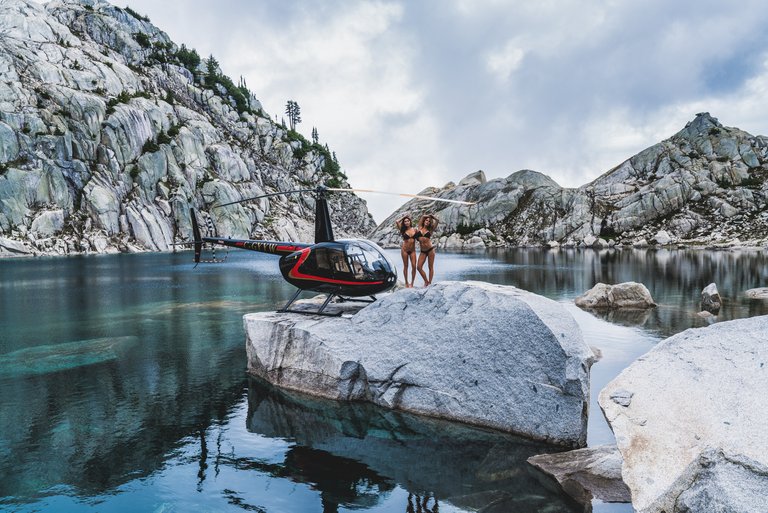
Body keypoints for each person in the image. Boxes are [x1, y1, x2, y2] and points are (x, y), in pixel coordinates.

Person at [416, 214, 439, 286]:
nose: (427, 222)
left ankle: (429, 283)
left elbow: (437, 221)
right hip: (423, 251)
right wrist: (428, 215)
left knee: (430, 267)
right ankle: (426, 281)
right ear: (424, 221)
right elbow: (422, 216)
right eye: (426, 220)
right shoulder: (419, 227)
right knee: (419, 267)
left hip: (430, 250)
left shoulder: (430, 230)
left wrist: (433, 216)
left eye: (429, 221)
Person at [395, 215, 417, 287]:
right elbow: (397, 221)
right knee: (406, 266)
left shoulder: (415, 230)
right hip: (404, 250)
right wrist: (404, 216)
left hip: (412, 251)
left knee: (414, 266)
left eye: (408, 221)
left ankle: (412, 283)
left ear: (410, 222)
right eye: (405, 221)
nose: (407, 222)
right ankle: (406, 283)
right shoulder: (403, 230)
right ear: (404, 223)